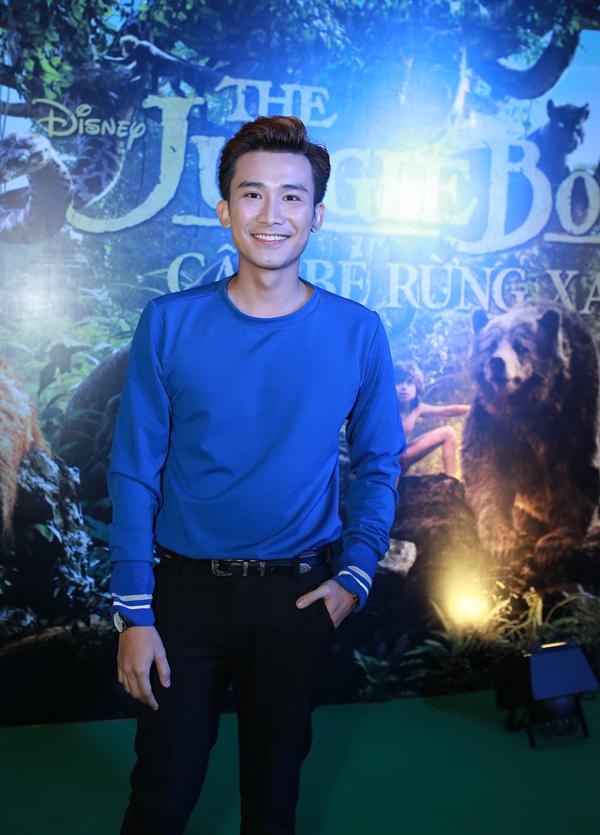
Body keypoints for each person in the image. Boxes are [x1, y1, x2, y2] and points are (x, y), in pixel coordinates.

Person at [108, 114, 404, 835]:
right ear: (224, 210)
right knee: (161, 796)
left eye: (292, 196)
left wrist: (355, 574)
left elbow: (379, 462)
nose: (272, 214)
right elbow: (134, 471)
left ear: (317, 214)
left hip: (297, 600)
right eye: (252, 194)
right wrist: (135, 614)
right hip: (183, 600)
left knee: (273, 806)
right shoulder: (169, 323)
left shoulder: (358, 331)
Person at [395, 360, 469, 478]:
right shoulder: (384, 408)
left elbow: (449, 410)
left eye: (409, 383)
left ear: (417, 387)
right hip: (385, 461)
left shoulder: (417, 408)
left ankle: (451, 481)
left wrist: (478, 408)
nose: (404, 387)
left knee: (448, 432)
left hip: (404, 456)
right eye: (399, 382)